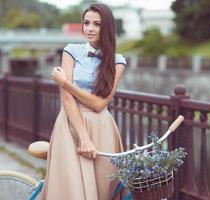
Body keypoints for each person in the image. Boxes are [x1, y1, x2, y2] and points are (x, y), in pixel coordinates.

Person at [40, 3, 126, 200]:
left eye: (97, 24)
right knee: (70, 191)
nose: (90, 28)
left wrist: (65, 83)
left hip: (102, 128)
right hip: (70, 126)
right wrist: (84, 138)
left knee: (104, 190)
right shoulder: (71, 51)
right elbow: (67, 100)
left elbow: (99, 104)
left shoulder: (117, 61)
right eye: (86, 23)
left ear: (107, 28)